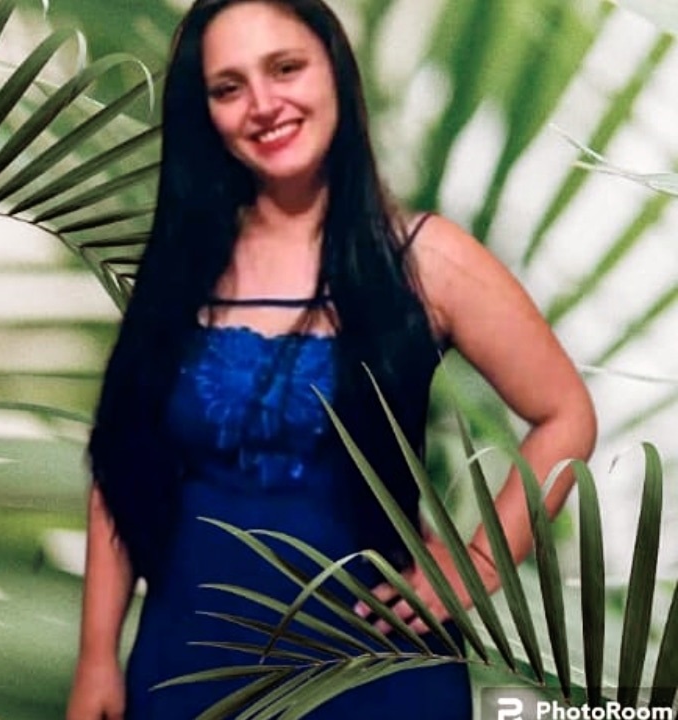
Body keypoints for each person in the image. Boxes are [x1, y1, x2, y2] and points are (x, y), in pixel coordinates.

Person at [66, 0, 597, 718]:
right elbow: (121, 465)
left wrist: (476, 565)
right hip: (188, 666)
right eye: (229, 87)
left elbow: (566, 414)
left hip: (376, 672)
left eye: (286, 68)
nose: (263, 104)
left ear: (335, 72)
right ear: (206, 112)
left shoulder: (425, 259)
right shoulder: (180, 267)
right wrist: (96, 657)